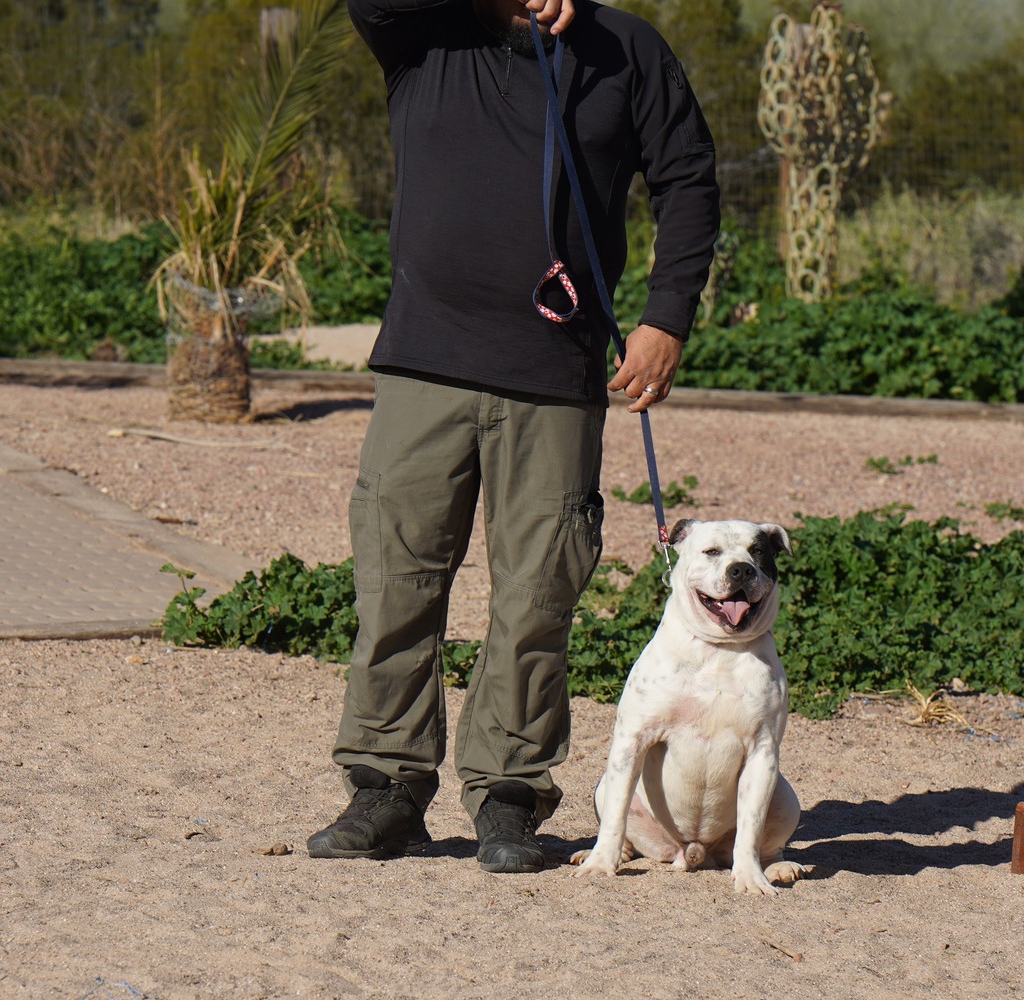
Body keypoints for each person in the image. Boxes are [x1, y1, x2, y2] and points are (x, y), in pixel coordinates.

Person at [308, 0, 721, 871]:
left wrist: (666, 318)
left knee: (537, 597)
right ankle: (385, 789)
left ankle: (509, 797)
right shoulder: (425, 33)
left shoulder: (626, 49)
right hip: (425, 363)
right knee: (396, 583)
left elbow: (688, 178)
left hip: (557, 376)